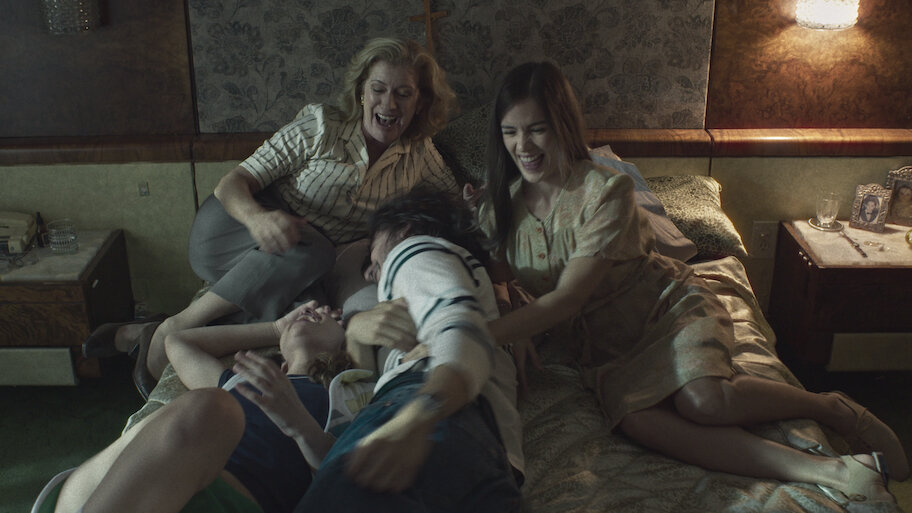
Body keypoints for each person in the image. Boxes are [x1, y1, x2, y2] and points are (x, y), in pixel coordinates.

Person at [476, 61, 908, 503]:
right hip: (603, 349)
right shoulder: (500, 207)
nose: (523, 146)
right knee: (638, 421)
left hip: (663, 310)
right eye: (510, 132)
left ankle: (831, 407)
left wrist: (475, 334)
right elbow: (499, 275)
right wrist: (513, 318)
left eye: (537, 130)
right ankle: (836, 471)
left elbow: (568, 298)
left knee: (703, 402)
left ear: (563, 127)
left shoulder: (605, 191)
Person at [82, 36, 459, 398]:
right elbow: (232, 183)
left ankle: (141, 333)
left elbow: (455, 202)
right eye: (378, 89)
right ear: (361, 92)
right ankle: (175, 326)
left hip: (308, 261)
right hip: (237, 229)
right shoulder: (321, 127)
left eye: (403, 93)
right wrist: (258, 219)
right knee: (313, 250)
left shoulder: (419, 153)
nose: (389, 103)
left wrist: (474, 202)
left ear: (419, 102)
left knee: (316, 317)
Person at [295, 189, 523, 512]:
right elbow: (363, 392)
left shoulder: (414, 249)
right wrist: (357, 332)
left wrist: (419, 416)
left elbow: (459, 331)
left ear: (403, 229)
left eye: (373, 256)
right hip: (492, 456)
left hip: (428, 410)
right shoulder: (476, 294)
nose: (370, 273)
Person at [42, 301, 352, 513]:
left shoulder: (348, 393)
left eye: (330, 313)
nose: (315, 310)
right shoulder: (241, 383)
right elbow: (177, 342)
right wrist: (274, 328)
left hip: (222, 499)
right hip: (121, 489)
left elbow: (349, 477)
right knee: (206, 409)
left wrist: (300, 425)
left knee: (211, 408)